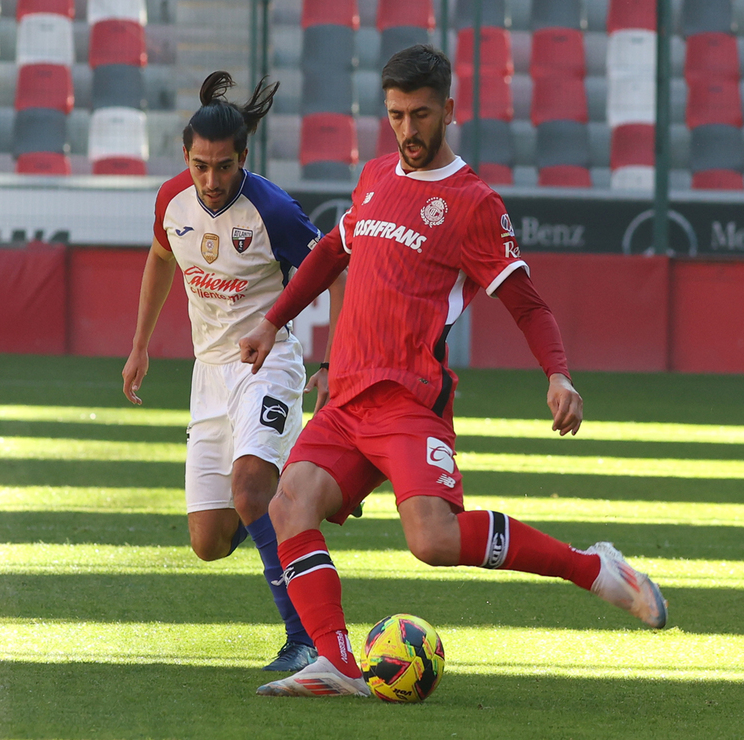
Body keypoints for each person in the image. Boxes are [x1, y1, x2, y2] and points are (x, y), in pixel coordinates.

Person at [238, 46, 668, 698]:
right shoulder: (377, 174)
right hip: (347, 390)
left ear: (448, 110)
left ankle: (594, 569)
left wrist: (557, 374)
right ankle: (338, 662)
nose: (406, 131)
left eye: (418, 115)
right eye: (394, 116)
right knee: (289, 504)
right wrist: (274, 320)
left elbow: (526, 302)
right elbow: (333, 252)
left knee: (433, 541)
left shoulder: (472, 204)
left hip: (409, 397)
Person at [122, 70, 345, 673]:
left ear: (243, 157)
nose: (211, 180)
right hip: (209, 375)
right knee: (209, 542)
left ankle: (305, 640)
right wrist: (140, 344)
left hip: (268, 364)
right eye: (200, 166)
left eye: (223, 167)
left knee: (249, 488)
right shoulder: (172, 201)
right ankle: (281, 508)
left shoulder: (272, 208)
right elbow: (161, 258)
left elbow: (334, 268)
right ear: (186, 158)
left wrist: (335, 357)